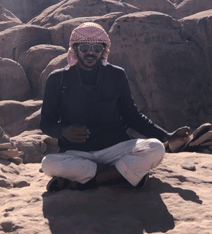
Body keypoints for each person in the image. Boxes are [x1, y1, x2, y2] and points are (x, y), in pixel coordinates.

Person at [40, 22, 191, 192]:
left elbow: (132, 116)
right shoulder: (57, 79)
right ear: (74, 49)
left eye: (97, 48)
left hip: (115, 149)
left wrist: (167, 136)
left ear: (103, 50)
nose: (90, 53)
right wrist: (63, 131)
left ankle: (90, 180)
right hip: (77, 151)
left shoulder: (116, 75)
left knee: (156, 148)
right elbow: (46, 122)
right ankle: (120, 175)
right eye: (84, 48)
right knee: (48, 164)